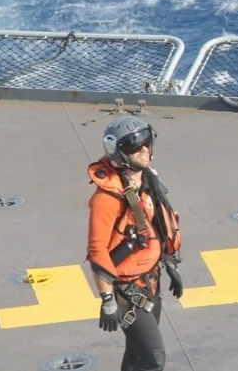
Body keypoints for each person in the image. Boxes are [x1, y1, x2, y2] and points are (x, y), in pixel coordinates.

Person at [86, 116, 183, 371]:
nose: (144, 150)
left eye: (146, 142)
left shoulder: (146, 179)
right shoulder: (106, 199)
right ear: (119, 153)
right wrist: (107, 298)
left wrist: (171, 264)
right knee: (154, 358)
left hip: (152, 280)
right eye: (133, 146)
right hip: (128, 292)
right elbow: (97, 250)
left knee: (137, 356)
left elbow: (159, 225)